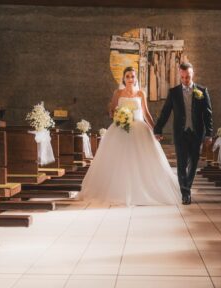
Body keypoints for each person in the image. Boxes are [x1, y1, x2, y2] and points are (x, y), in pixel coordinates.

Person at [77, 66, 180, 206]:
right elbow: (111, 111)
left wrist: (156, 130)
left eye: (132, 76)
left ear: (136, 78)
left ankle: (143, 190)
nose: (130, 79)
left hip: (139, 129)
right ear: (124, 79)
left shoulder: (141, 94)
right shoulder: (118, 93)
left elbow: (146, 114)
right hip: (121, 129)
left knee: (143, 160)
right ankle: (119, 191)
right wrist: (118, 115)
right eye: (128, 76)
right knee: (120, 161)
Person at [154, 62, 214, 205]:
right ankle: (185, 193)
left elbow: (208, 114)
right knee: (181, 164)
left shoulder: (202, 91)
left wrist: (209, 134)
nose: (185, 80)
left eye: (188, 77)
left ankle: (186, 187)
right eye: (183, 77)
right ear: (180, 75)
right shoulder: (174, 92)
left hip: (196, 133)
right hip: (180, 133)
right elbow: (165, 112)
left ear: (192, 74)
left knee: (193, 163)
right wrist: (158, 129)